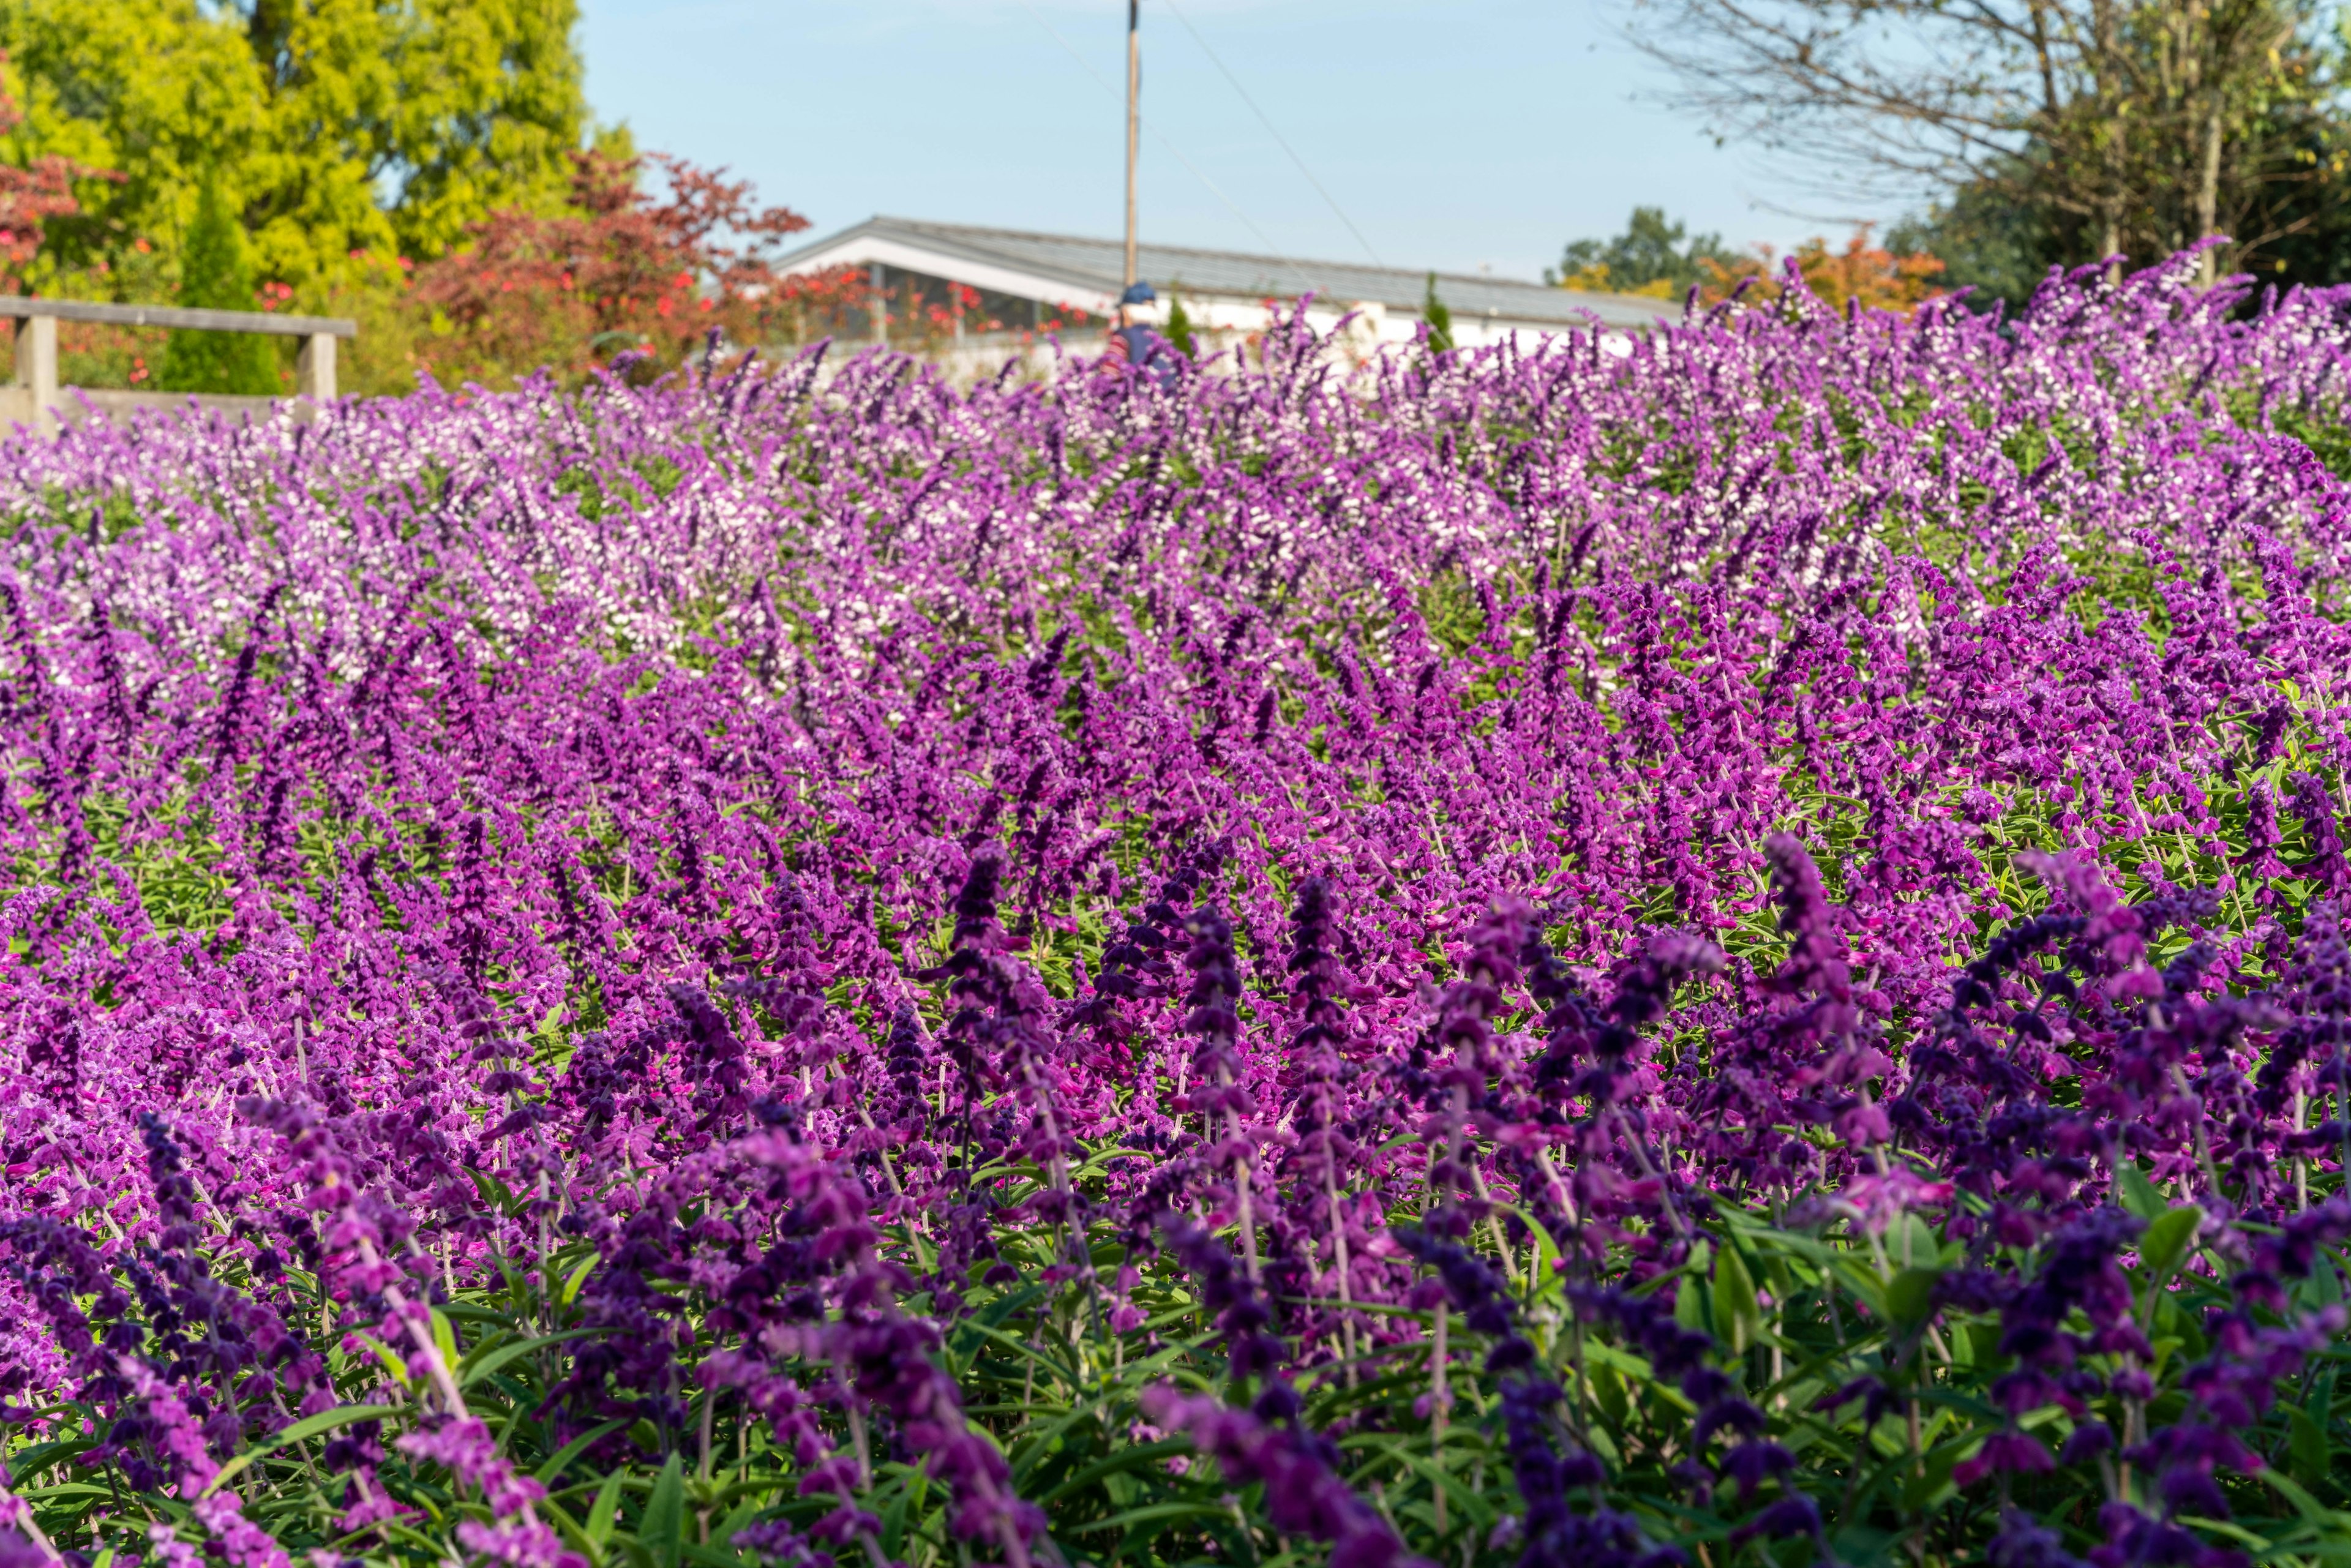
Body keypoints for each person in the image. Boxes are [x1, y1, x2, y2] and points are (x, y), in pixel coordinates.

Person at [1104, 280, 1178, 388]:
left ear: (1125, 312)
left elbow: (1106, 379)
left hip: (1134, 401)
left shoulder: (1121, 339)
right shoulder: (1165, 343)